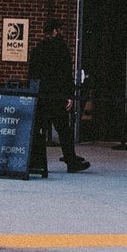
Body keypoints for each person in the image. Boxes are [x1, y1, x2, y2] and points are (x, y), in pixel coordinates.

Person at [30, 19, 87, 171]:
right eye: (59, 29)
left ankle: (33, 161)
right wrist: (69, 95)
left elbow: (32, 74)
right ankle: (71, 161)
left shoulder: (38, 49)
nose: (61, 32)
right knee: (64, 130)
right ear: (55, 31)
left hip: (42, 96)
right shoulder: (61, 49)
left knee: (38, 129)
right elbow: (66, 75)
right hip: (57, 96)